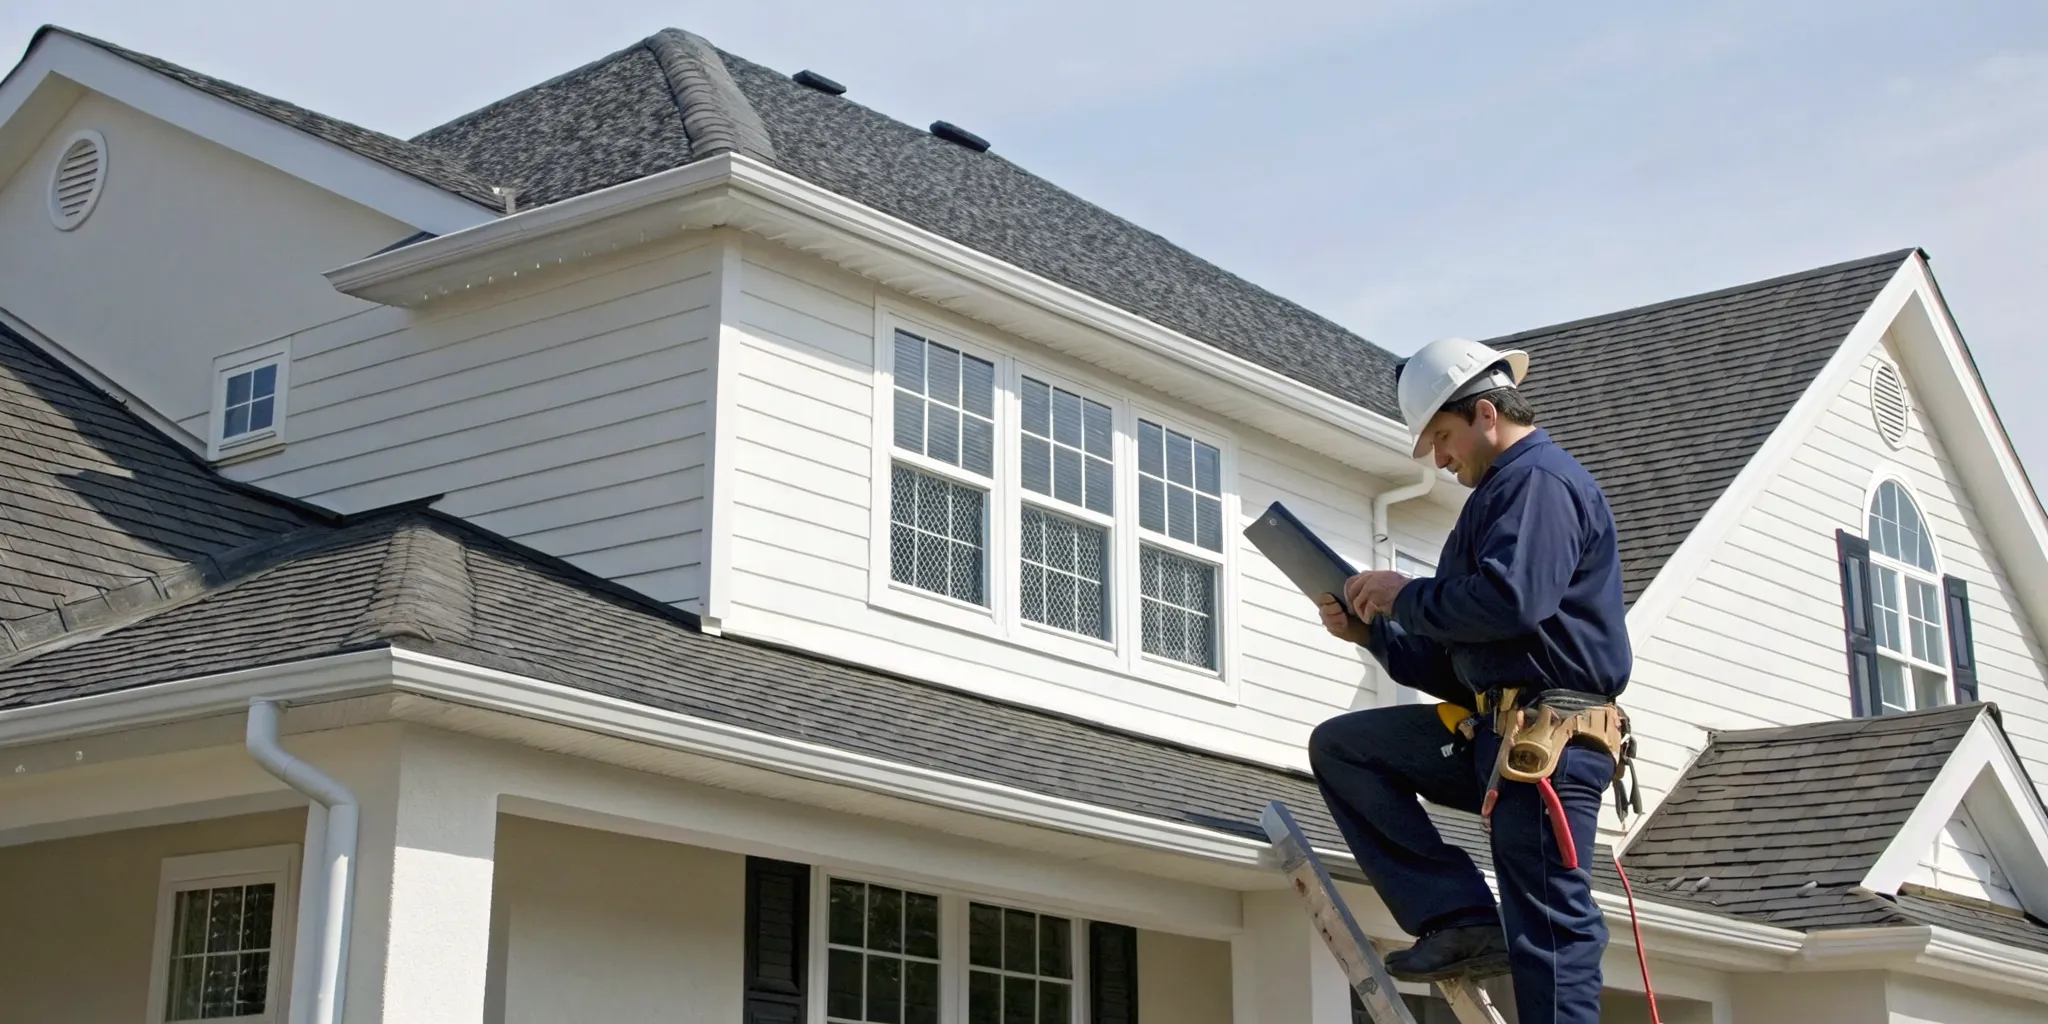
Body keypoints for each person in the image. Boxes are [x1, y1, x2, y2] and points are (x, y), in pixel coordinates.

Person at [1307, 337, 1631, 1024]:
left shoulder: (1538, 482)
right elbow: (1465, 665)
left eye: (1444, 440)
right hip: (1499, 729)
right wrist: (1372, 631)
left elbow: (1514, 601)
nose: (1441, 460)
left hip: (1548, 740)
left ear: (1486, 414)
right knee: (1347, 748)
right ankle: (1459, 919)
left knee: (1550, 926)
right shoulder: (1497, 499)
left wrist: (1406, 595)